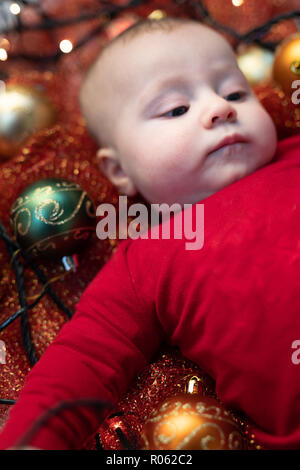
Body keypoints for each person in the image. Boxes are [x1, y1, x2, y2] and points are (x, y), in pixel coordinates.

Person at [0, 17, 300, 450]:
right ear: (120, 170)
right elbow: (81, 363)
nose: (221, 108)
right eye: (176, 109)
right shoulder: (143, 260)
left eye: (235, 92)